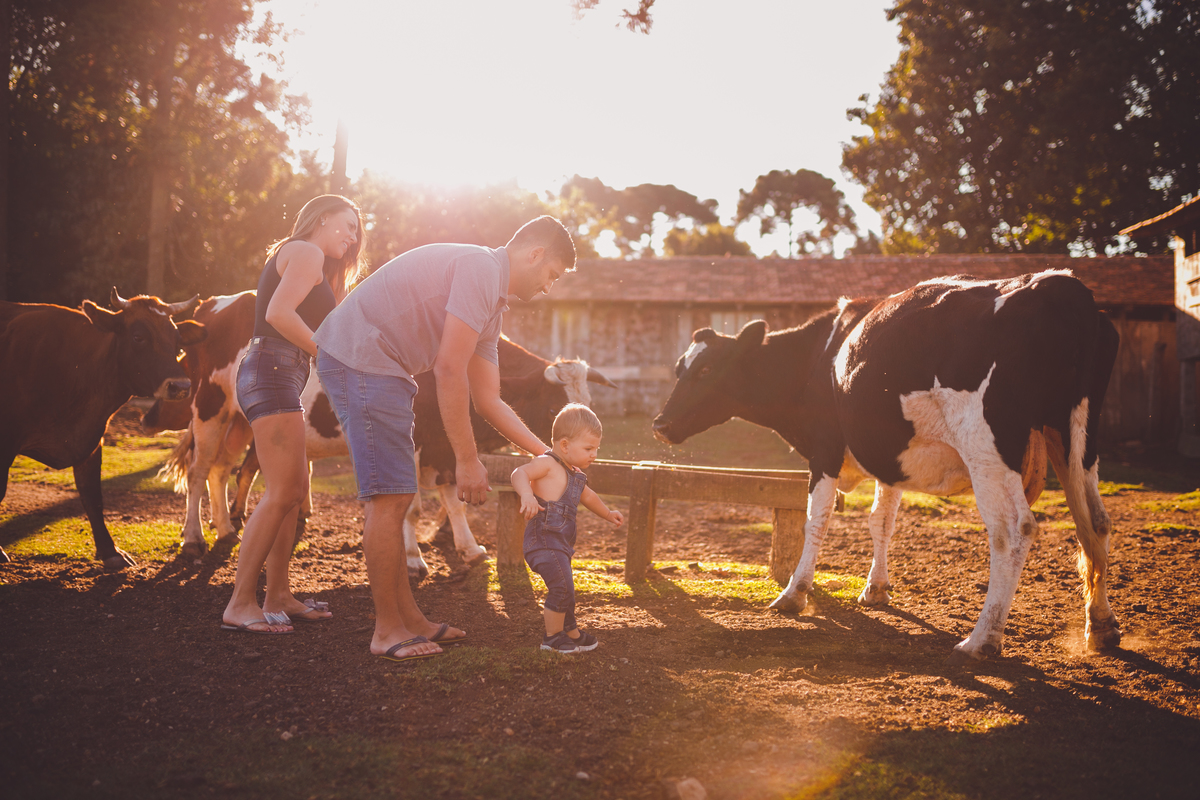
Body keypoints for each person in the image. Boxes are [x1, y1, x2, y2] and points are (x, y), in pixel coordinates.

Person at [313, 215, 577, 662]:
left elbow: (489, 399)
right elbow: (449, 370)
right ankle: (386, 631)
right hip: (360, 357)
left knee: (397, 495)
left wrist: (548, 454)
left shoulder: (492, 304)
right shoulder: (479, 271)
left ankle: (410, 619)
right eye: (551, 275)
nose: (549, 286)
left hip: (386, 367)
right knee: (388, 497)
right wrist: (468, 461)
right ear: (535, 255)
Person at [220, 195, 366, 635]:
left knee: (294, 487)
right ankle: (240, 602)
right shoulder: (304, 251)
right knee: (283, 491)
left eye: (358, 231)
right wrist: (328, 355)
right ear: (322, 218)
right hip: (271, 369)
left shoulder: (316, 265)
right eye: (347, 225)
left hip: (283, 372)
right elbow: (278, 314)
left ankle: (278, 594)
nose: (354, 236)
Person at [510, 404, 623, 654]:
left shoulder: (575, 475)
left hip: (561, 545)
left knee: (567, 587)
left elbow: (589, 497)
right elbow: (519, 473)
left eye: (596, 449)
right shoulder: (547, 464)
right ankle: (551, 638)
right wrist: (526, 495)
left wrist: (608, 513)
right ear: (564, 445)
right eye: (588, 448)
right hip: (543, 541)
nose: (594, 454)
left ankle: (571, 631)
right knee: (561, 586)